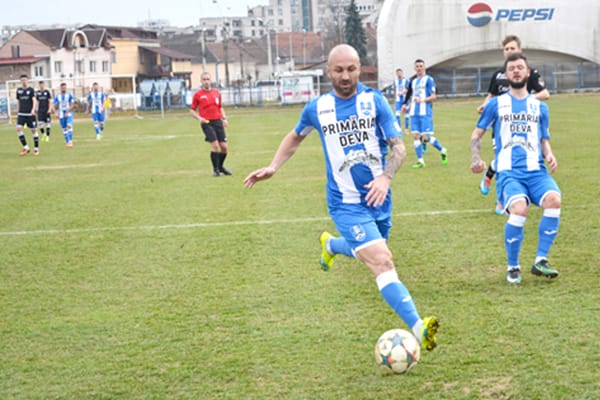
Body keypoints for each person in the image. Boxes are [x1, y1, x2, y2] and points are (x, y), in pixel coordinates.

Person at [244, 44, 439, 351]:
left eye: (351, 69)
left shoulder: (374, 101)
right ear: (328, 72)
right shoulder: (317, 108)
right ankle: (419, 327)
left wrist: (385, 178)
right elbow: (295, 136)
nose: (345, 76)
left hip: (378, 199)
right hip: (345, 204)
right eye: (339, 70)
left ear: (359, 68)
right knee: (382, 260)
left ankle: (332, 245)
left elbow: (399, 147)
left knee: (368, 252)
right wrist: (273, 166)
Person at [470, 53, 561, 285]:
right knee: (519, 209)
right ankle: (513, 266)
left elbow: (543, 139)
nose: (516, 71)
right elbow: (477, 134)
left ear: (528, 73)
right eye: (512, 68)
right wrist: (476, 158)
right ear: (506, 74)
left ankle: (541, 260)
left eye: (520, 67)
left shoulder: (540, 107)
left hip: (537, 172)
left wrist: (549, 154)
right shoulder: (495, 104)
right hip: (510, 173)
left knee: (554, 200)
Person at [477, 35, 551, 213]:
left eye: (512, 48)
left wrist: (524, 101)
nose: (509, 51)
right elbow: (492, 94)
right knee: (503, 158)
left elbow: (545, 94)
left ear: (520, 50)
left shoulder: (529, 73)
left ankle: (490, 177)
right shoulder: (499, 74)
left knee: (519, 160)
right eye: (506, 49)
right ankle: (501, 199)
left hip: (527, 124)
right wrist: (485, 104)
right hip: (503, 125)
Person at [401, 59, 447, 169]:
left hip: (425, 112)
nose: (419, 68)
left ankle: (442, 150)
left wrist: (422, 100)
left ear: (424, 67)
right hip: (414, 113)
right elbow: (413, 97)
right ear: (414, 68)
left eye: (421, 66)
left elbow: (434, 96)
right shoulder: (413, 82)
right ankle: (420, 161)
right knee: (416, 136)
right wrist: (407, 106)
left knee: (426, 138)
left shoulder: (429, 80)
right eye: (417, 66)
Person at [189, 72, 232, 177]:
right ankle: (215, 169)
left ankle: (220, 167)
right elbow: (192, 110)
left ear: (211, 80)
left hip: (218, 122)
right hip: (207, 123)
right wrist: (200, 118)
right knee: (215, 145)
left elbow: (220, 107)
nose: (206, 81)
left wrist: (224, 118)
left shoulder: (216, 93)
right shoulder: (198, 95)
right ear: (201, 81)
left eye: (208, 79)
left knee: (224, 147)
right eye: (204, 79)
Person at [15, 74, 39, 156]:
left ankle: (36, 149)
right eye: (22, 80)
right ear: (20, 81)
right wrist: (18, 111)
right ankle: (26, 148)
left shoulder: (31, 90)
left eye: (25, 80)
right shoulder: (18, 90)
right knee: (18, 129)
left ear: (27, 80)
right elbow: (18, 101)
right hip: (21, 113)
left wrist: (33, 109)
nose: (24, 81)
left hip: (30, 114)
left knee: (33, 130)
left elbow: (34, 100)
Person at [53, 82, 75, 148]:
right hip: (61, 114)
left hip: (69, 113)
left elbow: (72, 104)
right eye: (62, 88)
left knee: (69, 125)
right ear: (60, 88)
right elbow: (53, 105)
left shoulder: (69, 95)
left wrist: (68, 111)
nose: (63, 89)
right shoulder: (57, 96)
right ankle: (68, 142)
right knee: (64, 129)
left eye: (65, 88)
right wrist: (55, 112)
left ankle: (70, 141)